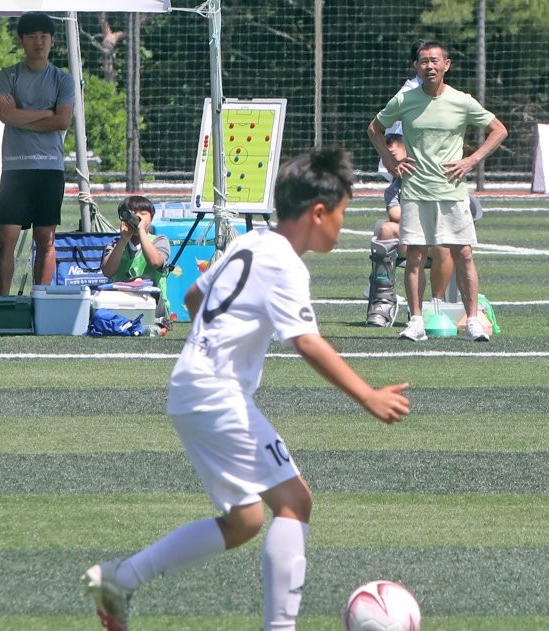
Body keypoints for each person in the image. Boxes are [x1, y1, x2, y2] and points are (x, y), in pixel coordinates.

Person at [82, 145, 412, 631]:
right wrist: (368, 395)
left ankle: (122, 578)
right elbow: (308, 343)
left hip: (192, 387)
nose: (343, 226)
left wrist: (218, 337)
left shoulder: (251, 241)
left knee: (245, 520)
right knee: (295, 502)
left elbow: (195, 296)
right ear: (318, 213)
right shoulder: (286, 263)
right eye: (342, 214)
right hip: (217, 394)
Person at [367, 38, 507, 342]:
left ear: (446, 65)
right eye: (423, 61)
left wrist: (472, 160)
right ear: (416, 66)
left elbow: (499, 130)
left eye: (434, 61)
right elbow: (374, 128)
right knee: (415, 256)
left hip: (452, 192)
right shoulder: (405, 100)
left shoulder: (462, 100)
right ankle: (416, 320)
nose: (429, 66)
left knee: (464, 254)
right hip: (416, 191)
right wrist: (392, 162)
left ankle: (471, 320)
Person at [0, 12, 75, 295]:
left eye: (43, 36)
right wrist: (43, 112)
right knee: (7, 237)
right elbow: (6, 115)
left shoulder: (63, 80)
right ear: (21, 41)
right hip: (15, 169)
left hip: (49, 168)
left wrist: (20, 115)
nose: (38, 42)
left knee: (46, 239)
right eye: (31, 36)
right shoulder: (7, 75)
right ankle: (2, 302)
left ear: (52, 40)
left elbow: (62, 121)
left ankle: (41, 299)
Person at [366, 132, 453, 327]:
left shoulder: (431, 177)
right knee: (386, 229)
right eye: (386, 159)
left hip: (435, 238)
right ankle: (384, 299)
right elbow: (396, 214)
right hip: (410, 237)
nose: (391, 163)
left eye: (394, 156)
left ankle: (435, 305)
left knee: (444, 247)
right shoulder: (394, 188)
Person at [100, 195, 172, 332]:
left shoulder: (160, 240)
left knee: (144, 280)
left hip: (153, 305)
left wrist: (142, 232)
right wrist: (123, 240)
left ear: (151, 218)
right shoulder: (115, 244)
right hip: (121, 305)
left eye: (143, 214)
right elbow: (107, 271)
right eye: (132, 214)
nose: (137, 218)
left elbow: (156, 262)